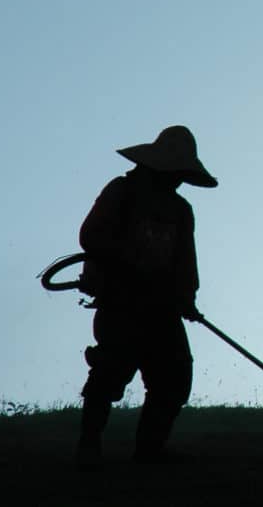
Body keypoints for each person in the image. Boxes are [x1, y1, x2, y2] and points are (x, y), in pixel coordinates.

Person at [75, 125, 217, 469]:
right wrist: (129, 262)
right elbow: (91, 235)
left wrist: (187, 297)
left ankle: (149, 452)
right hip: (121, 301)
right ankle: (88, 447)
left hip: (163, 309)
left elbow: (186, 261)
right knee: (109, 372)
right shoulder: (122, 192)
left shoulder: (181, 210)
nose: (179, 179)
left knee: (174, 378)